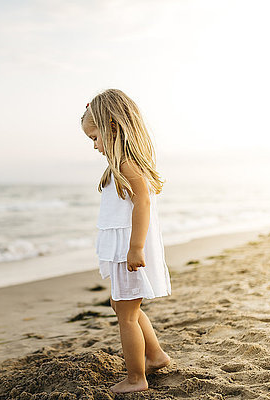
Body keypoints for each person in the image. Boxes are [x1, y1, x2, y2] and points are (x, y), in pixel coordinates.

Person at [80, 89, 172, 393]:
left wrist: (135, 248)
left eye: (95, 137)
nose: (94, 146)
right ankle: (155, 356)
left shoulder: (127, 165)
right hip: (122, 249)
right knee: (123, 307)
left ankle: (136, 378)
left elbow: (142, 204)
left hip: (128, 250)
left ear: (112, 127)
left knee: (127, 314)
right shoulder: (119, 166)